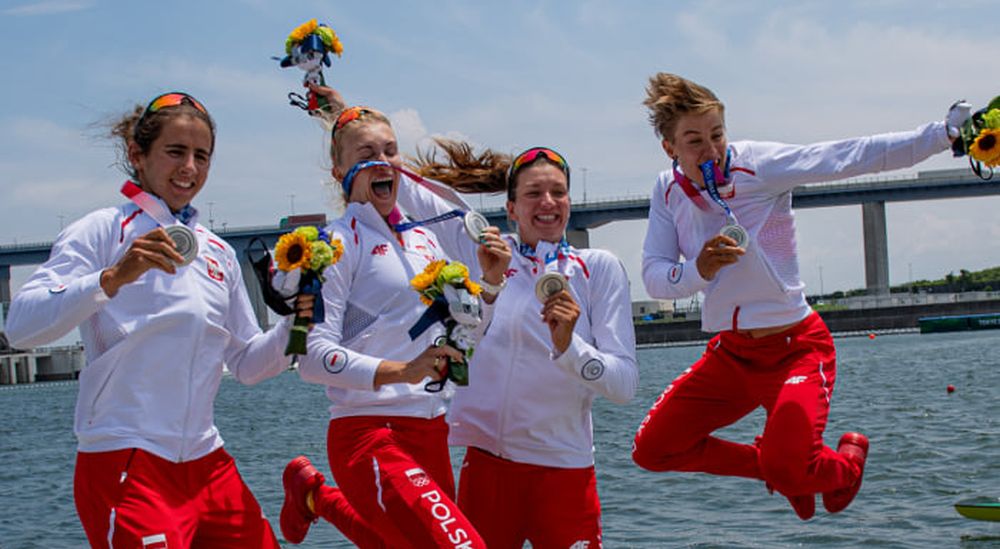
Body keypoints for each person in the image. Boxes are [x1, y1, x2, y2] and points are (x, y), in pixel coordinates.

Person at [630, 72, 972, 519]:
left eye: (717, 134)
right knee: (652, 450)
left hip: (797, 349)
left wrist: (943, 135)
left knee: (790, 464)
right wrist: (699, 269)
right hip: (730, 356)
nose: (711, 150)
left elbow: (848, 156)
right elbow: (655, 277)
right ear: (669, 148)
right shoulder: (668, 189)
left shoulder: (760, 165)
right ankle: (786, 468)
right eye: (693, 141)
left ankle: (842, 464)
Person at [4, 91, 313, 547]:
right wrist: (113, 278)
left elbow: (248, 364)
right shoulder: (103, 231)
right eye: (175, 152)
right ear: (138, 155)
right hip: (126, 460)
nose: (189, 167)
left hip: (209, 464)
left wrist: (299, 323)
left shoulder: (218, 253)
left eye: (201, 156)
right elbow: (22, 328)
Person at [279, 105, 508, 548]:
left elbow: (465, 339)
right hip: (369, 434)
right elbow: (308, 356)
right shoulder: (333, 246)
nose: (382, 161)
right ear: (339, 171)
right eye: (367, 152)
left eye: (391, 150)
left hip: (431, 432)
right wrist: (402, 370)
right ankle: (319, 496)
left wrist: (492, 285)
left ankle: (315, 497)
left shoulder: (426, 241)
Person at [399, 141, 639, 547]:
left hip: (565, 472)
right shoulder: (485, 255)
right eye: (533, 194)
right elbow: (414, 192)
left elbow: (624, 385)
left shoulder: (598, 268)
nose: (548, 202)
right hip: (489, 471)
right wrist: (341, 117)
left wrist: (569, 348)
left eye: (558, 192)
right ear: (511, 209)